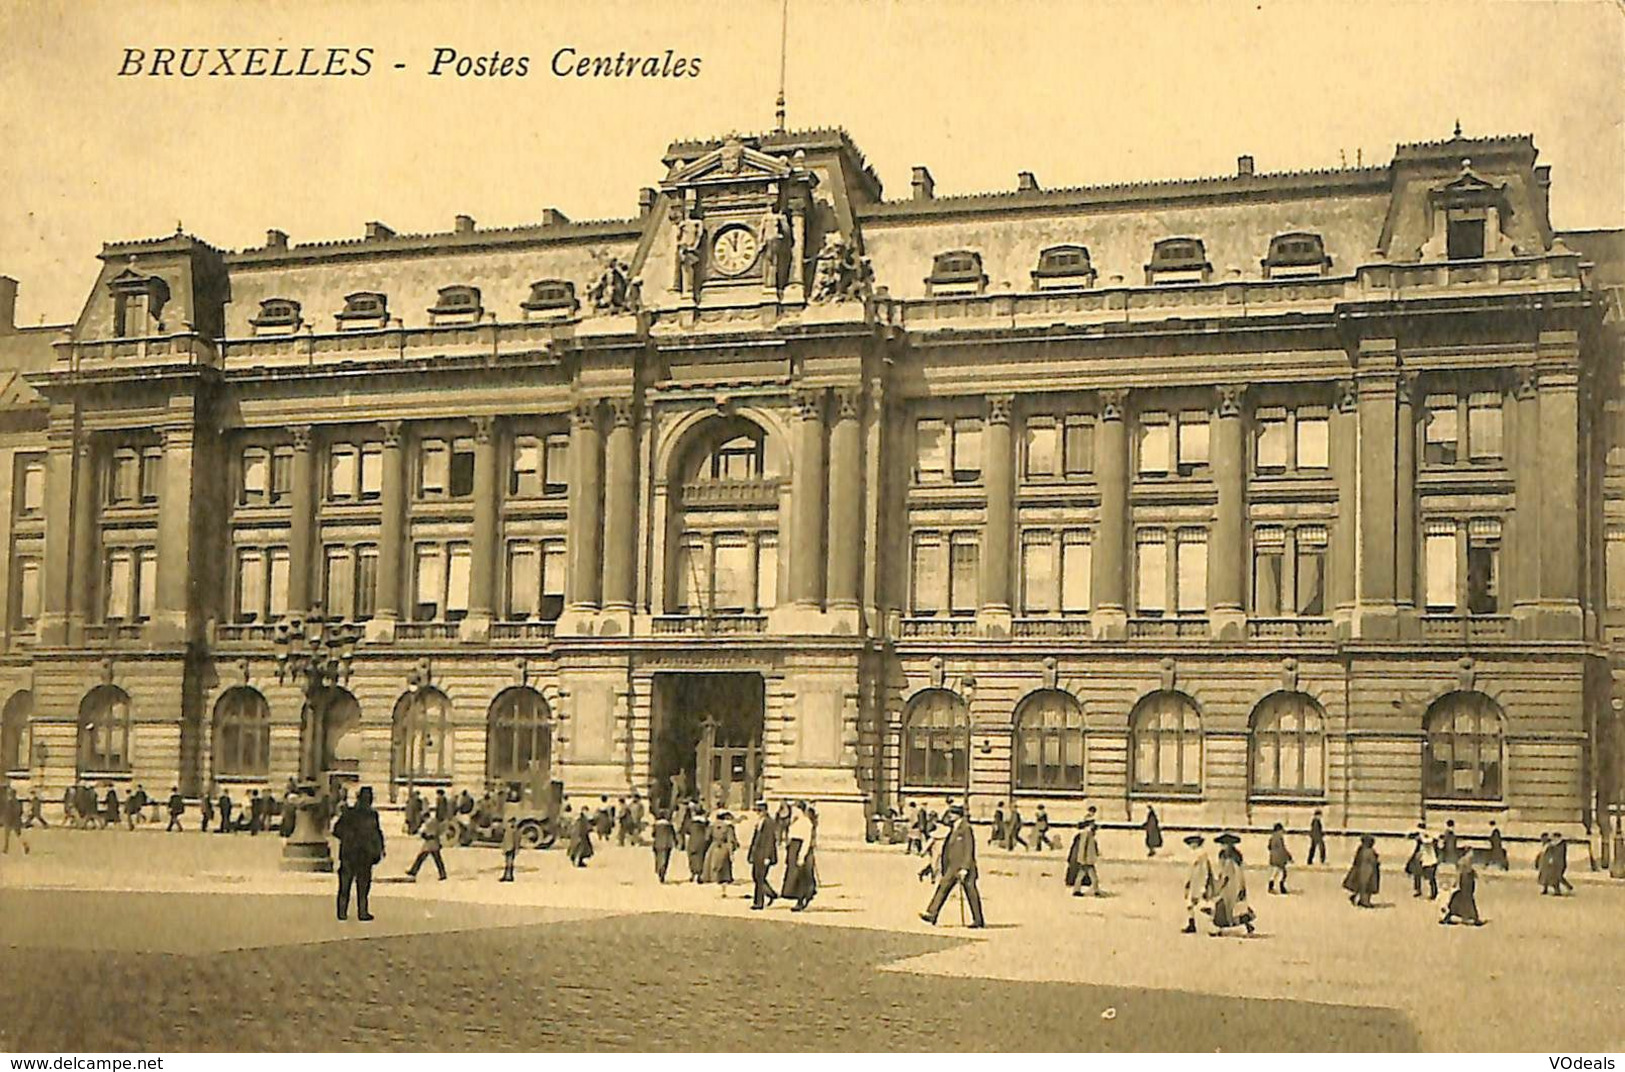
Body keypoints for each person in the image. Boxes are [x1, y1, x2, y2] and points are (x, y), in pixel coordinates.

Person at [919, 805, 984, 928]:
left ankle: (978, 920)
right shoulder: (953, 827)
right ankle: (932, 914)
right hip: (952, 866)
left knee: (971, 893)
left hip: (964, 868)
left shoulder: (966, 828)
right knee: (943, 888)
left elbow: (969, 849)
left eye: (952, 814)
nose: (949, 816)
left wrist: (965, 868)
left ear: (957, 815)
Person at [333, 785, 384, 921]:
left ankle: (343, 912)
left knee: (348, 884)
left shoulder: (352, 813)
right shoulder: (367, 815)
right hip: (361, 854)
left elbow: (337, 831)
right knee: (361, 885)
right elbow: (377, 834)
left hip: (352, 854)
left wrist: (348, 839)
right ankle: (361, 912)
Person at [1209, 834, 1256, 936]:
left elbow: (1239, 872)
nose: (1223, 846)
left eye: (1225, 844)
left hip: (1233, 884)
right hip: (1225, 884)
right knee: (1222, 906)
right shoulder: (1221, 855)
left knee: (1236, 907)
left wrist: (1241, 887)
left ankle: (1247, 926)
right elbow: (1221, 870)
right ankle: (1220, 929)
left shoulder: (1235, 857)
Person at [745, 801, 778, 909]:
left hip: (764, 854)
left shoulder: (769, 822)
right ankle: (771, 894)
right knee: (756, 876)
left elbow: (769, 841)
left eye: (759, 811)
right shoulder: (760, 822)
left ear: (764, 811)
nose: (757, 813)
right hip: (757, 854)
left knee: (760, 878)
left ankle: (758, 902)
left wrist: (768, 856)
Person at [781, 801, 814, 908]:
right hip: (792, 850)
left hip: (799, 850)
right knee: (793, 877)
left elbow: (806, 840)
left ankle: (801, 900)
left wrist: (802, 855)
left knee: (801, 877)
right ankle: (799, 897)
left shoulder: (806, 822)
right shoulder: (794, 821)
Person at [1440, 849, 1484, 926]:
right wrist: (1456, 881)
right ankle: (1474, 917)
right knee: (1467, 899)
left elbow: (1469, 871)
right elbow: (1459, 872)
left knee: (1462, 898)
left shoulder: (1466, 860)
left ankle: (1450, 915)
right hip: (1466, 881)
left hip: (1467, 881)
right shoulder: (1464, 861)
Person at [1067, 807, 1104, 896]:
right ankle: (1096, 891)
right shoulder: (1087, 834)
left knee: (1081, 875)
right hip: (1087, 859)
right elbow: (1084, 847)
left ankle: (1077, 890)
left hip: (1086, 859)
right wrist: (1083, 858)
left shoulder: (1086, 834)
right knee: (1093, 876)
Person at [1183, 834, 1215, 934]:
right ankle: (1191, 924)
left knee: (1203, 905)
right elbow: (1190, 870)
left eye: (1193, 843)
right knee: (1189, 904)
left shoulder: (1202, 855)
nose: (1192, 845)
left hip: (1199, 882)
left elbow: (1205, 870)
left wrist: (1204, 885)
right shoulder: (1192, 854)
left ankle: (1213, 925)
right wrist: (1187, 882)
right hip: (1193, 882)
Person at [406, 814, 448, 881]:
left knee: (422, 858)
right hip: (433, 842)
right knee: (436, 859)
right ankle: (442, 874)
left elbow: (423, 832)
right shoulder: (436, 822)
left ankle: (413, 871)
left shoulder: (430, 823)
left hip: (430, 842)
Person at [1343, 834, 1381, 908]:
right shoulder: (1370, 851)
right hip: (1368, 871)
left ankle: (1359, 899)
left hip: (1361, 870)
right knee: (1367, 887)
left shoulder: (1361, 850)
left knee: (1362, 886)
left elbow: (1356, 860)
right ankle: (1365, 902)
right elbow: (1373, 861)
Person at [704, 810, 738, 889]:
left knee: (711, 862)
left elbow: (707, 838)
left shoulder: (712, 826)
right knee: (724, 863)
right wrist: (732, 851)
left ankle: (712, 878)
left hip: (714, 845)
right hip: (724, 845)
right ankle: (723, 878)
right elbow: (731, 840)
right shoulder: (728, 827)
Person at [1407, 825, 1439, 900]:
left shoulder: (1428, 840)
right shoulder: (1422, 842)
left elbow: (1427, 841)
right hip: (1423, 860)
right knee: (1417, 874)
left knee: (1431, 878)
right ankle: (1419, 890)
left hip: (1429, 861)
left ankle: (1434, 893)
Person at [685, 806, 711, 882]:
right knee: (701, 857)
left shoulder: (691, 822)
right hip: (702, 841)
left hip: (692, 840)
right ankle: (699, 874)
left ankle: (693, 873)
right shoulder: (706, 823)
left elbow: (687, 831)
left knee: (692, 857)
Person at [651, 809, 677, 883]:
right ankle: (663, 871)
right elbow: (673, 835)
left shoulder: (656, 825)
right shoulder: (669, 825)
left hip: (658, 843)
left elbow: (653, 834)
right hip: (667, 843)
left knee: (658, 857)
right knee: (665, 858)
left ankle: (659, 870)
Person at [1267, 822, 1293, 894]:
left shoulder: (1272, 837)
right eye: (1281, 830)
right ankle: (1282, 888)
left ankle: (1271, 886)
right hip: (1279, 858)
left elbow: (1269, 847)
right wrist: (1288, 857)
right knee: (1283, 873)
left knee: (1275, 873)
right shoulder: (1279, 838)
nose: (1282, 832)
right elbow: (1282, 849)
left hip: (1273, 858)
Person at [498, 816, 519, 882]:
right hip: (508, 848)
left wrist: (516, 849)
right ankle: (507, 876)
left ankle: (509, 876)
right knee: (507, 863)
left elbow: (516, 841)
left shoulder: (514, 831)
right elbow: (505, 840)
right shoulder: (508, 830)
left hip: (511, 848)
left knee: (509, 864)